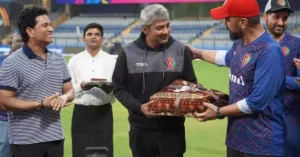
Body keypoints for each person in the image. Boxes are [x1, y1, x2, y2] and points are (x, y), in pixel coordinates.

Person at [187, 0, 286, 156]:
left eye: (227, 19)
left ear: (242, 22)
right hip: (236, 140)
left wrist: (219, 112)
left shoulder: (269, 52)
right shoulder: (241, 44)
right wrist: (197, 53)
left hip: (262, 144)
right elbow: (225, 58)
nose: (225, 23)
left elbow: (256, 102)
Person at [112, 4, 197, 157]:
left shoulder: (180, 50)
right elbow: (119, 88)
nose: (166, 31)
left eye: (167, 26)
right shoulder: (127, 53)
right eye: (159, 28)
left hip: (173, 131)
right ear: (145, 29)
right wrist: (139, 107)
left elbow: (191, 85)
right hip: (141, 130)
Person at [0, 6, 74, 157]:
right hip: (25, 141)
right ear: (30, 31)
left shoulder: (59, 59)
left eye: (50, 25)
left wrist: (64, 97)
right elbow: (3, 102)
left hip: (56, 138)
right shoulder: (12, 62)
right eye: (45, 25)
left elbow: (69, 90)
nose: (51, 29)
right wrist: (40, 104)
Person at [68, 22, 116, 157]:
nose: (93, 37)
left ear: (102, 39)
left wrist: (109, 89)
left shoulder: (111, 61)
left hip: (104, 112)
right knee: (80, 150)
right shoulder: (74, 61)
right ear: (83, 39)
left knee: (105, 150)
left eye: (97, 34)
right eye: (89, 34)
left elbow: (118, 87)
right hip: (81, 113)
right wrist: (81, 87)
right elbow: (69, 89)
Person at [263, 0, 300, 156]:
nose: (281, 22)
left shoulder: (297, 44)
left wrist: (271, 79)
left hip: (290, 120)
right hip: (259, 120)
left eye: (284, 18)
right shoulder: (255, 45)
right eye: (276, 17)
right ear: (265, 17)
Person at [0, 31, 24, 157]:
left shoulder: (33, 64)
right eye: (19, 41)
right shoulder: (2, 64)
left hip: (28, 119)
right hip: (5, 118)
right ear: (10, 43)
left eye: (25, 41)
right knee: (4, 151)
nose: (22, 44)